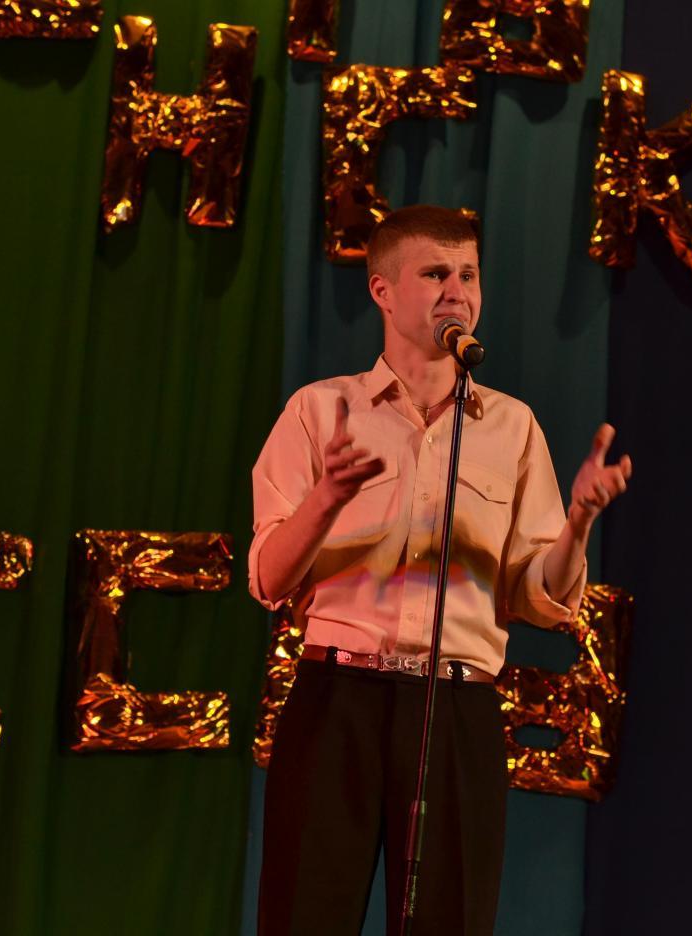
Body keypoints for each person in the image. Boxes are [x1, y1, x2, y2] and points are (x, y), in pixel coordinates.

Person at [249, 205, 631, 934]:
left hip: (457, 709)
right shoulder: (318, 411)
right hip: (337, 701)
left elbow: (540, 599)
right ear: (383, 291)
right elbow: (268, 579)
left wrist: (579, 523)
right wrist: (327, 498)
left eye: (468, 275)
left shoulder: (513, 427)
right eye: (435, 274)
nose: (457, 291)